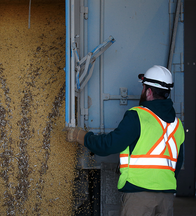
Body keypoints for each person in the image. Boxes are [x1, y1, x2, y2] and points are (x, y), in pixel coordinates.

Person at [66, 65, 185, 216]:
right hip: (166, 198)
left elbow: (108, 145)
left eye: (143, 88)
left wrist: (81, 136)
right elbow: (177, 162)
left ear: (148, 91)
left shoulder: (138, 116)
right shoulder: (177, 124)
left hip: (139, 196)